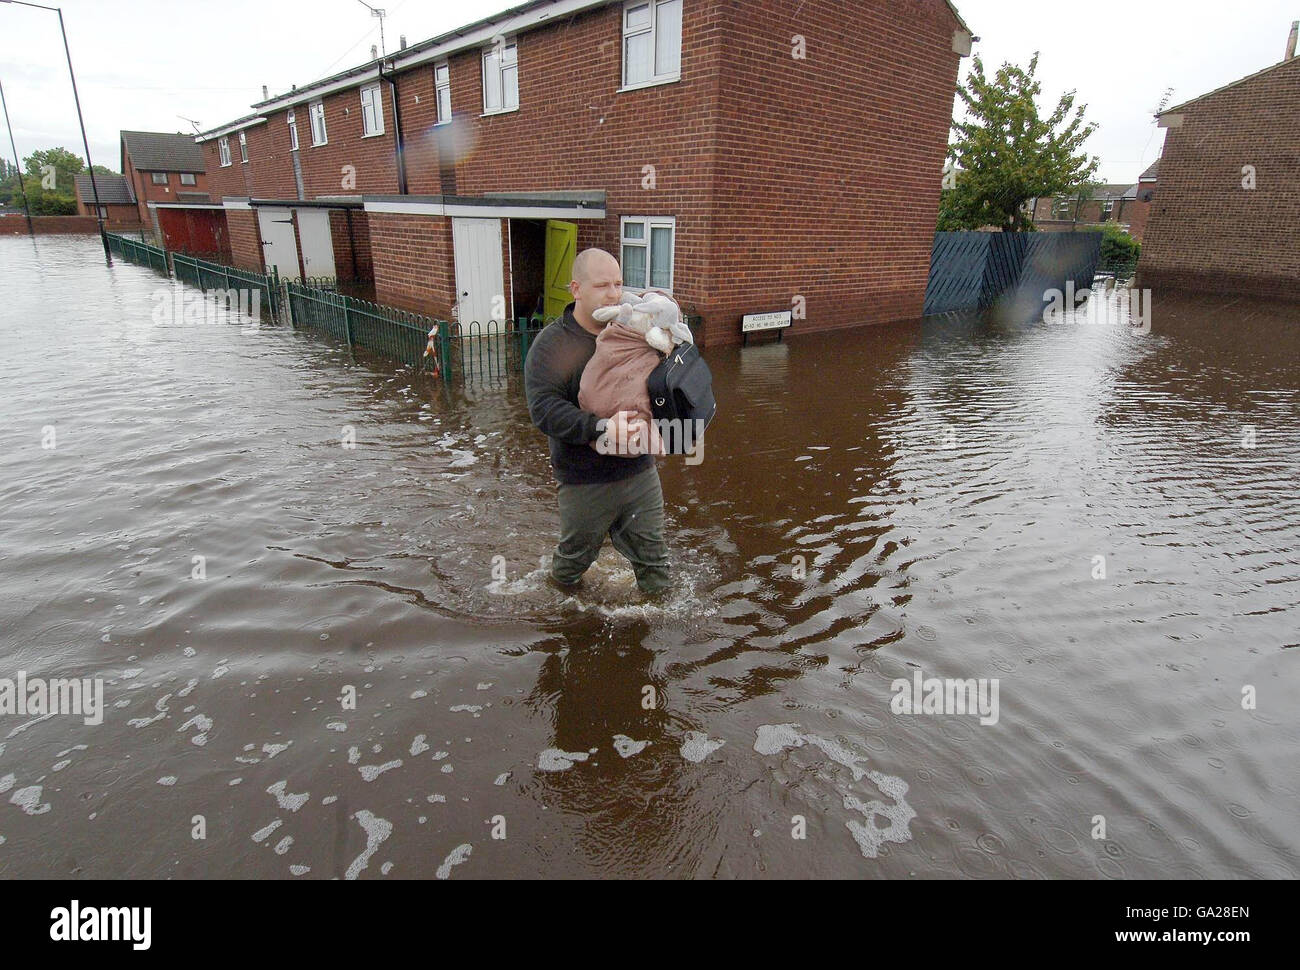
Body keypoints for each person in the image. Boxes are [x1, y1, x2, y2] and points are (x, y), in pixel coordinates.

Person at [524, 248, 673, 597]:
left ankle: (656, 636)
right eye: (603, 285)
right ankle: (562, 612)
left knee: (656, 564)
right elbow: (544, 409)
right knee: (573, 564)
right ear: (576, 289)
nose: (614, 294)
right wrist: (603, 428)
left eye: (618, 284)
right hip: (584, 478)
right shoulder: (551, 346)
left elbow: (660, 387)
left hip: (639, 471)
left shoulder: (633, 330)